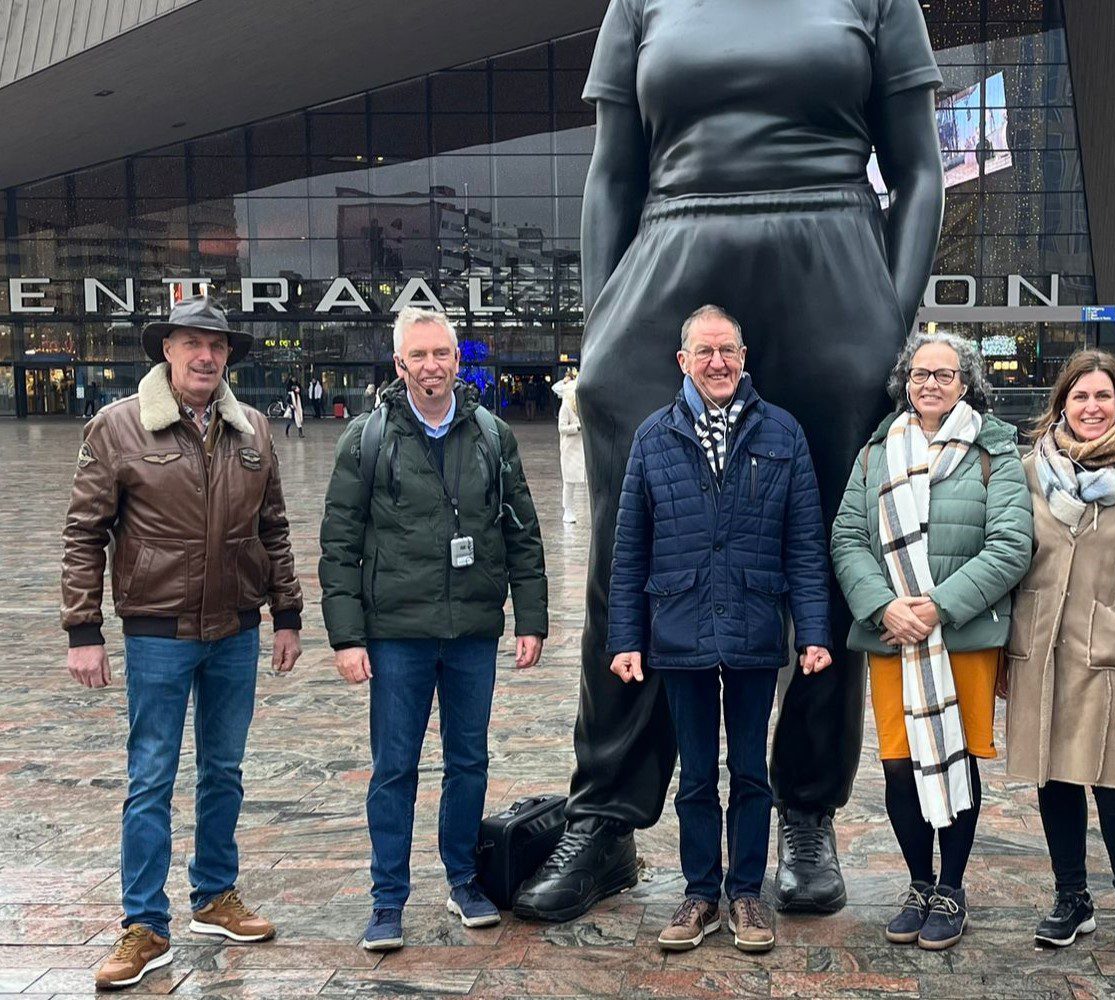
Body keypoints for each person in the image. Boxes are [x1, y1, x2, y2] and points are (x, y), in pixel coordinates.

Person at [517, 0, 945, 922]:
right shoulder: (640, 2)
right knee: (625, 562)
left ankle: (804, 808)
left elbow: (919, 170)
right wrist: (601, 332)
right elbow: (612, 173)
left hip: (832, 265)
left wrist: (890, 321)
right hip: (671, 253)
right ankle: (607, 814)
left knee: (831, 562)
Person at [60, 295, 303, 991]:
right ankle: (144, 924)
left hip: (236, 630)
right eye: (193, 343)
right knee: (151, 778)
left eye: (218, 346)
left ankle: (215, 896)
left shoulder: (252, 428)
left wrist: (286, 612)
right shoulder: (117, 427)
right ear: (166, 349)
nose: (206, 356)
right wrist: (84, 628)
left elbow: (275, 529)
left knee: (224, 770)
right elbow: (84, 532)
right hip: (157, 633)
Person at [319, 307, 548, 953]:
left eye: (441, 354)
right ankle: (387, 899)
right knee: (394, 768)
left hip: (472, 629)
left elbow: (521, 533)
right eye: (417, 356)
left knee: (468, 761)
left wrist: (530, 618)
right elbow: (337, 545)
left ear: (457, 361)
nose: (430, 366)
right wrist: (347, 636)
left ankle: (463, 880)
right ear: (399, 365)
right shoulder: (366, 439)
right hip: (396, 634)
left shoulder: (491, 436)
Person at [607, 305, 832, 953]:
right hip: (680, 631)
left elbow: (805, 544)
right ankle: (700, 894)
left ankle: (746, 896)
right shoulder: (655, 437)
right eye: (704, 352)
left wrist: (812, 632)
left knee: (751, 774)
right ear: (683, 361)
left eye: (727, 350)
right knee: (698, 775)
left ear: (744, 355)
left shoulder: (782, 433)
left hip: (757, 626)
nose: (717, 362)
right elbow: (631, 549)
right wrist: (627, 639)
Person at [830, 331, 1033, 951]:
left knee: (956, 759)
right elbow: (846, 538)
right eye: (921, 375)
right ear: (905, 382)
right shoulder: (875, 454)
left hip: (961, 639)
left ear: (966, 383)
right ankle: (919, 882)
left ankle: (952, 886)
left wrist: (937, 608)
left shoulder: (993, 452)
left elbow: (1011, 544)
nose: (931, 385)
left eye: (945, 375)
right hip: (893, 635)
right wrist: (883, 606)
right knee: (898, 766)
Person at [1004, 348, 1115, 956]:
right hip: (1041, 648)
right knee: (1053, 780)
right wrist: (1003, 653)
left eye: (1103, 396)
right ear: (1062, 405)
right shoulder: (1030, 472)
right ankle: (1071, 897)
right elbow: (1012, 561)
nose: (1092, 407)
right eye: (1080, 396)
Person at [553, 369, 587, 524]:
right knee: (569, 481)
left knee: (582, 477)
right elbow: (561, 428)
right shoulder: (565, 407)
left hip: (580, 448)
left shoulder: (581, 408)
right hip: (569, 449)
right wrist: (577, 428)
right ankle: (568, 509)